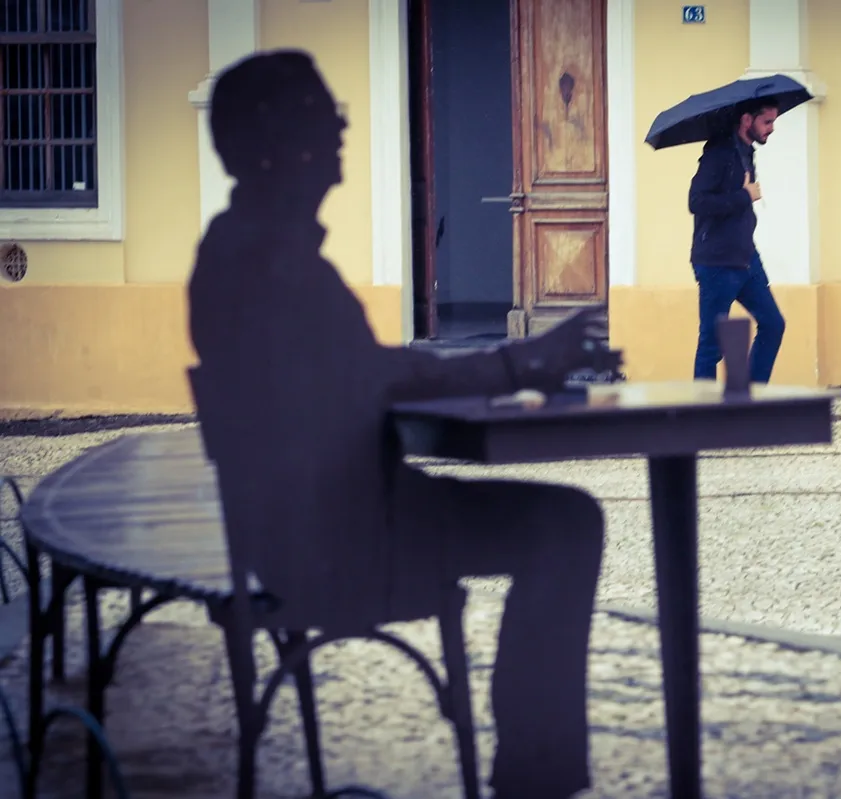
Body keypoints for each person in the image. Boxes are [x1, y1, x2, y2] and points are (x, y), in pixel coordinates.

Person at [189, 49, 620, 799]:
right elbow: (373, 377)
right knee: (566, 523)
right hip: (342, 542)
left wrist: (507, 366)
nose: (339, 134)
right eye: (325, 118)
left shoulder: (246, 252)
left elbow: (363, 375)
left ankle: (535, 772)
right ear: (273, 139)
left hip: (295, 530)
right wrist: (522, 364)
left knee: (561, 518)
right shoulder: (268, 264)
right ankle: (535, 780)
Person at [687, 97, 786, 384]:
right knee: (711, 344)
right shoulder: (718, 154)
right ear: (747, 120)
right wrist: (744, 196)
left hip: (745, 257)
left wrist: (744, 198)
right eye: (767, 121)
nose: (772, 128)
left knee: (773, 324)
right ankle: (701, 415)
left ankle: (753, 396)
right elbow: (697, 202)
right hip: (717, 261)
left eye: (773, 121)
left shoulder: (745, 152)